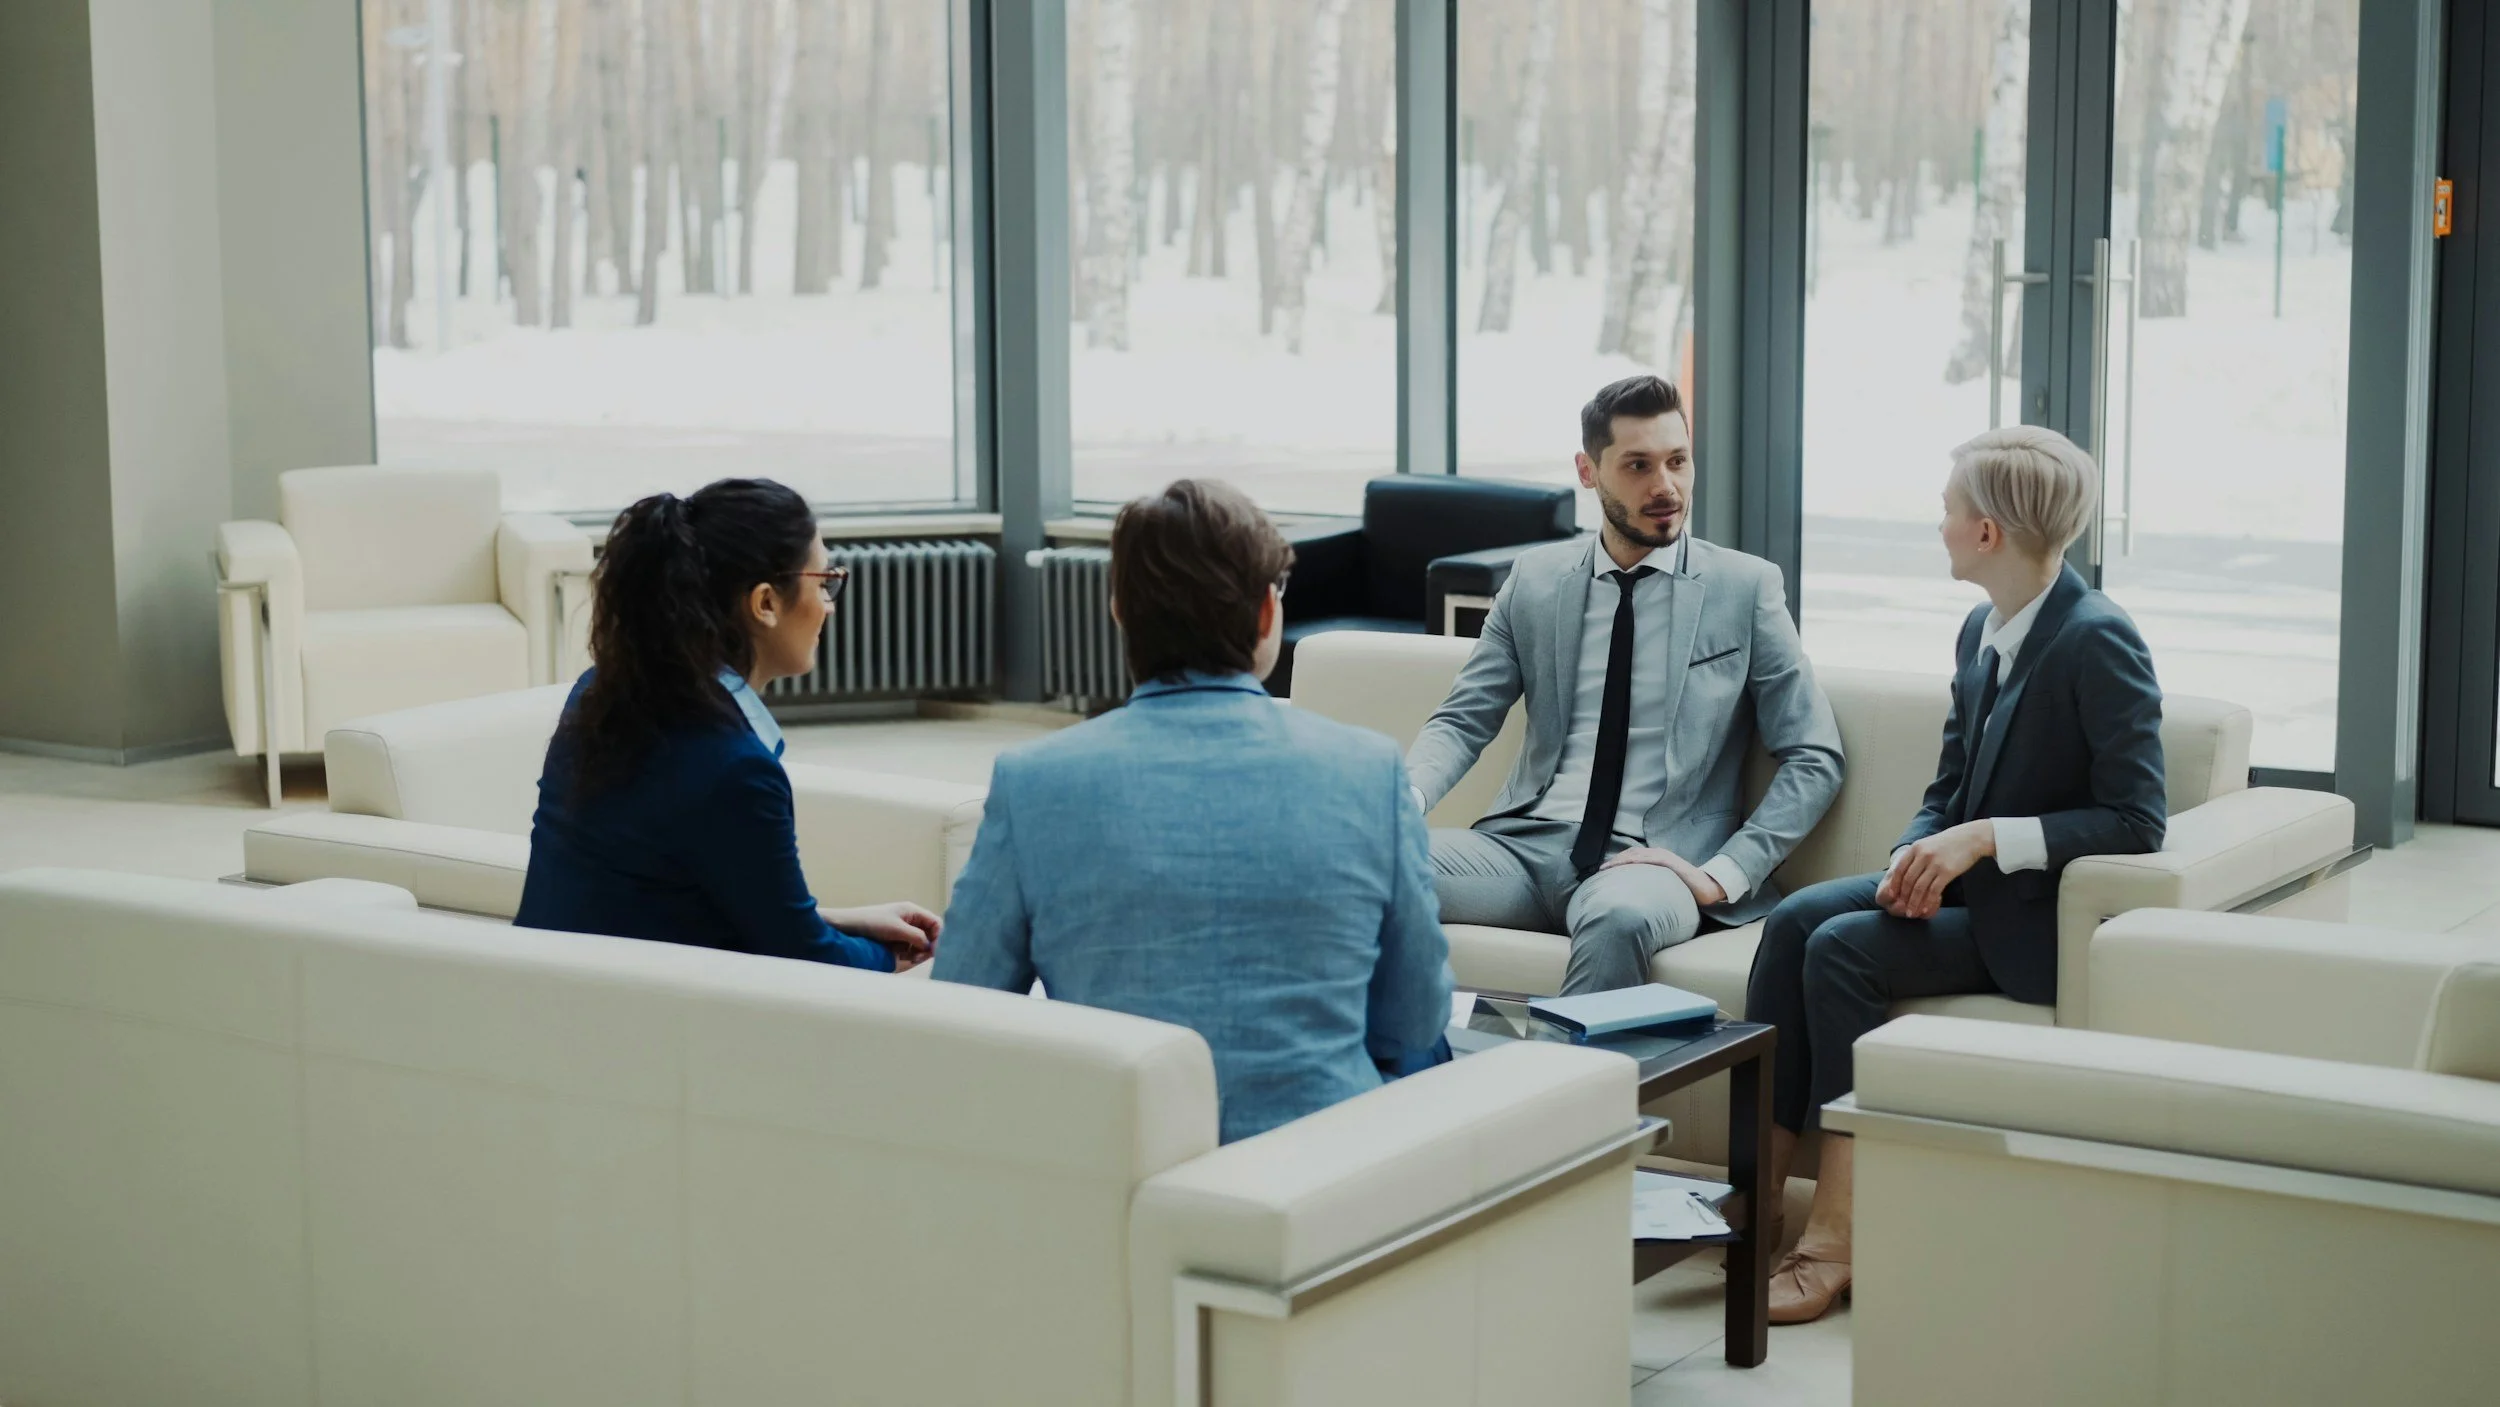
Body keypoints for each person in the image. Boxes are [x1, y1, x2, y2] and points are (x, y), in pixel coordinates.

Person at [1745, 425, 2166, 1323]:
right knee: (1790, 925)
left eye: (1947, 510)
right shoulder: (1984, 623)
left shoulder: (2099, 639)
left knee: (1844, 951)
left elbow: (2139, 819)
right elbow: (1947, 783)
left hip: (2029, 921)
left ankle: (1835, 1237)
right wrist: (1916, 850)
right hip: (1964, 893)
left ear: (1987, 534)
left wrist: (1981, 842)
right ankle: (1756, 1206)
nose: (1937, 525)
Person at [934, 478, 1455, 1144]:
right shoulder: (1370, 771)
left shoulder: (1032, 781)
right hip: (1326, 1178)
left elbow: (962, 1007)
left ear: (1119, 610)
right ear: (1268, 616)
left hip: (1121, 1171)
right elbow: (1414, 1017)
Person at [1408, 374, 1844, 994]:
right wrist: (1405, 801)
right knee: (1372, 862)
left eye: (1677, 462)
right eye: (1638, 466)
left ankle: (1575, 1090)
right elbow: (1462, 719)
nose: (1665, 487)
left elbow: (1815, 755)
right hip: (1522, 850)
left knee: (1618, 917)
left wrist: (1725, 873)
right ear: (1589, 472)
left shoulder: (1744, 589)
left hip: (1653, 861)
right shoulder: (1534, 581)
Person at [515, 478, 941, 972]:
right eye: (823, 581)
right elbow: (806, 959)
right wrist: (900, 958)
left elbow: (657, 896)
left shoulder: (599, 693)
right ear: (765, 603)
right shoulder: (735, 768)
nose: (829, 603)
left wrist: (846, 921)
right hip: (650, 1025)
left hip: (546, 998)